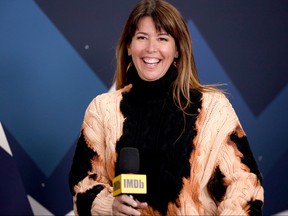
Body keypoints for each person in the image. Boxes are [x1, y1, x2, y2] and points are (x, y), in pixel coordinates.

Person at [68, 0, 264, 215]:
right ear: (129, 47)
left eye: (162, 38)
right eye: (142, 37)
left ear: (177, 49)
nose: (151, 48)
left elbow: (244, 185)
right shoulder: (103, 109)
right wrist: (109, 206)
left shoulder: (212, 109)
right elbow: (83, 183)